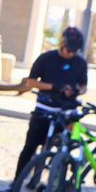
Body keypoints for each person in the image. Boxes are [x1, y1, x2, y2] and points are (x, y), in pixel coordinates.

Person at [12, 26, 88, 178]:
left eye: (74, 51)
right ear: (62, 44)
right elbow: (30, 82)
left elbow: (83, 86)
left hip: (66, 111)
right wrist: (53, 87)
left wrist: (75, 90)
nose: (70, 53)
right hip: (44, 108)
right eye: (68, 49)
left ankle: (62, 184)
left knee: (68, 149)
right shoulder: (46, 58)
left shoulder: (80, 63)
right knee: (30, 146)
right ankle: (17, 180)